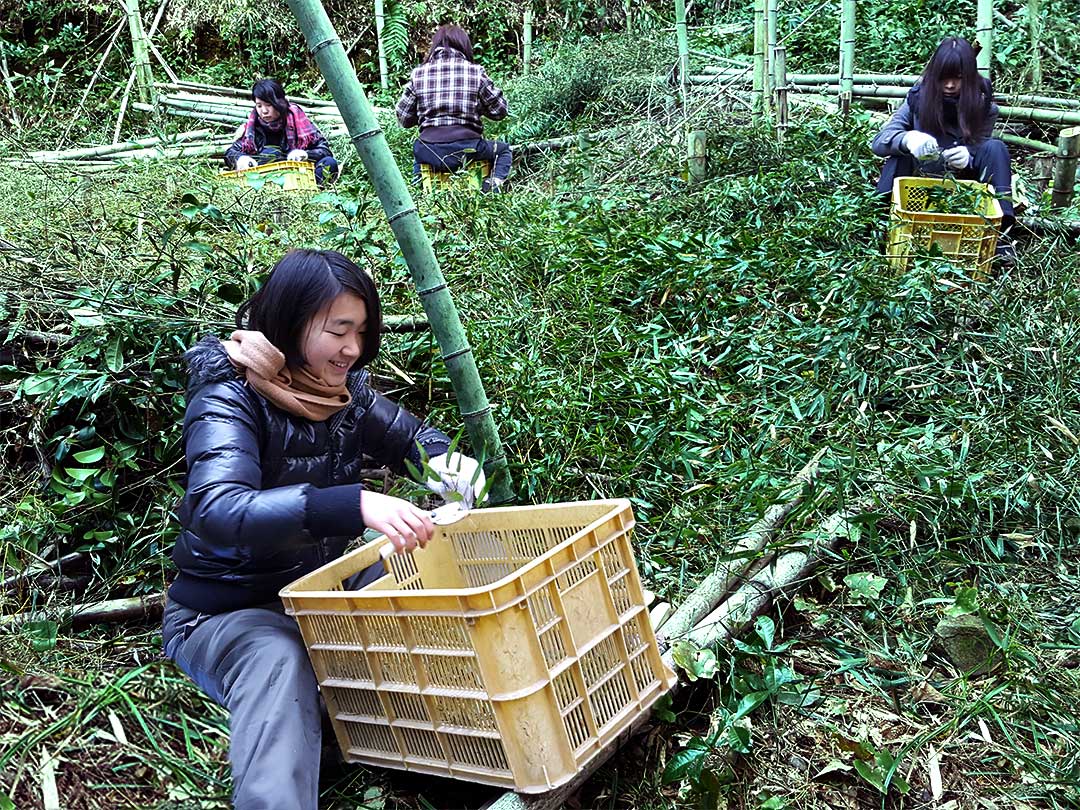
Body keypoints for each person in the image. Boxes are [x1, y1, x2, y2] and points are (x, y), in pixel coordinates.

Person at [162, 249, 486, 809]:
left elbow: (411, 437)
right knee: (279, 658)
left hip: (325, 596)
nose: (353, 350)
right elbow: (217, 509)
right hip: (226, 614)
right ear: (291, 322)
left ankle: (470, 769)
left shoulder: (344, 393)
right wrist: (349, 505)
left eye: (361, 332)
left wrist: (442, 462)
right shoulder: (229, 397)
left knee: (423, 583)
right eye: (339, 331)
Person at [871, 36, 1015, 259]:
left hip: (962, 187)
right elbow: (880, 141)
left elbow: (982, 143)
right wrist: (908, 139)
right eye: (943, 78)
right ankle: (881, 227)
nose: (949, 85)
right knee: (898, 156)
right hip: (918, 180)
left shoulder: (982, 102)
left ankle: (1000, 234)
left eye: (957, 78)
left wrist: (970, 154)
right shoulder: (918, 99)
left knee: (996, 148)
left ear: (968, 78)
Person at [396, 24, 512, 192]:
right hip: (468, 149)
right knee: (503, 150)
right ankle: (490, 188)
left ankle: (419, 193)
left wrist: (425, 114)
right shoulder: (475, 72)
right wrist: (479, 107)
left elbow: (403, 117)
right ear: (464, 46)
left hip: (429, 151)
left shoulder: (418, 74)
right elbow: (500, 110)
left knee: (420, 156)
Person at [224, 79, 339, 187]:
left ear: (279, 103)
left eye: (269, 105)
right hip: (266, 181)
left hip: (301, 178)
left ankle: (314, 193)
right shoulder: (253, 128)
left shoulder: (298, 122)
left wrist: (305, 154)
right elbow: (231, 152)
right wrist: (241, 158)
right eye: (259, 106)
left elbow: (324, 150)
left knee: (329, 163)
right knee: (270, 153)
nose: (264, 111)